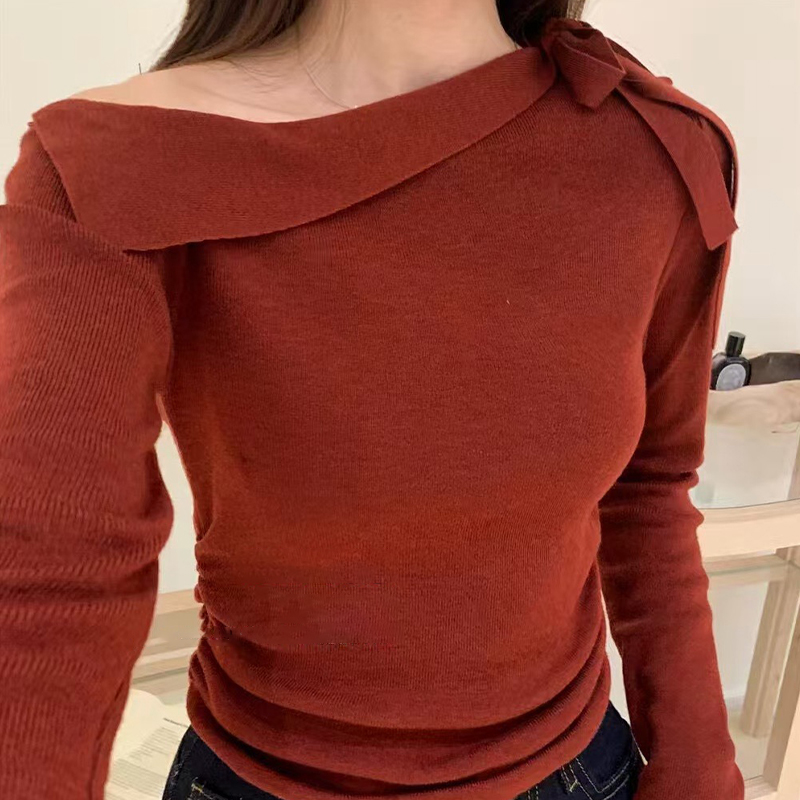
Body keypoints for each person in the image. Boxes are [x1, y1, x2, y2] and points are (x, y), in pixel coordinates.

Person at [0, 1, 745, 799]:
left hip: (572, 771)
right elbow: (51, 574)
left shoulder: (654, 152)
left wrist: (701, 774)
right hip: (260, 774)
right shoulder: (115, 165)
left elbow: (649, 490)